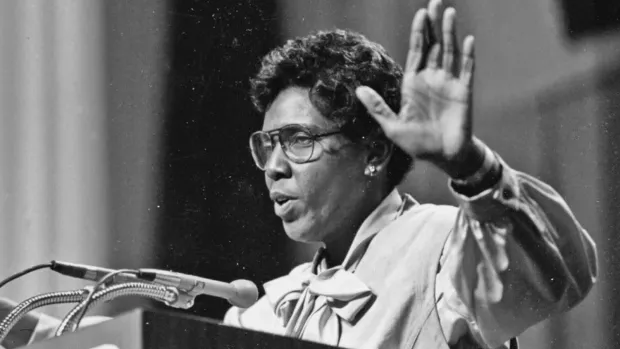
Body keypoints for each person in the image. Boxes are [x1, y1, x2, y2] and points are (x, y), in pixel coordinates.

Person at [222, 0, 598, 348]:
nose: (273, 167)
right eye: (267, 145)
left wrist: (469, 163)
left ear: (374, 152)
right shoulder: (265, 312)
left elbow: (560, 277)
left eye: (298, 140)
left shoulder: (441, 246)